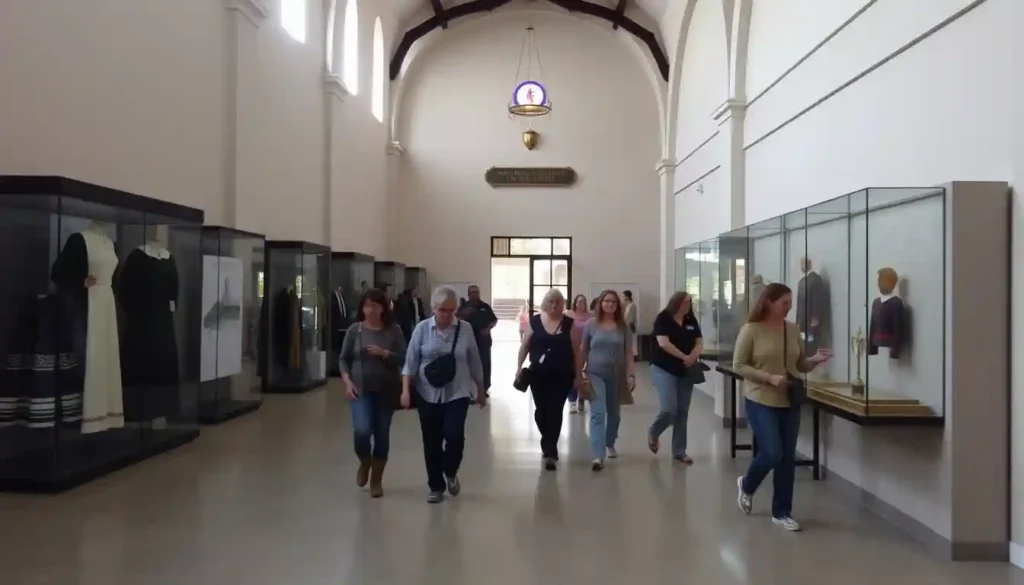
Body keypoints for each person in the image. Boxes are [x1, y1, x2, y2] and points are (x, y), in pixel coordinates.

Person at [733, 283, 833, 531]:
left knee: (787, 458)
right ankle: (747, 484)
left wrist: (815, 361)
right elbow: (739, 365)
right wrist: (769, 378)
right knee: (772, 452)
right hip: (760, 398)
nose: (789, 307)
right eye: (784, 303)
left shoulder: (792, 329)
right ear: (769, 302)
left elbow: (799, 364)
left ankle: (782, 512)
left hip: (788, 399)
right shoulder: (751, 330)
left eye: (790, 302)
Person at [402, 286, 487, 503]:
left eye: (451, 310)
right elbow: (410, 361)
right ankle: (435, 486)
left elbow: (474, 359)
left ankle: (450, 470)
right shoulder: (422, 329)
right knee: (431, 440)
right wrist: (405, 390)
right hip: (426, 392)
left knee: (455, 434)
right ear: (433, 309)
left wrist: (480, 389)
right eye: (442, 310)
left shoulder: (465, 329)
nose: (447, 315)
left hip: (457, 391)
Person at [338, 288, 407, 498]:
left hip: (386, 390)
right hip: (361, 389)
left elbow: (405, 359)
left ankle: (376, 479)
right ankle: (364, 461)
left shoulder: (393, 330)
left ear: (383, 308)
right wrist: (347, 382)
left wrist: (384, 353)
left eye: (375, 306)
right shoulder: (355, 330)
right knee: (362, 430)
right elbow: (343, 359)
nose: (370, 310)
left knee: (382, 435)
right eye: (367, 306)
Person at [517, 288, 581, 470]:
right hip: (538, 375)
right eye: (551, 302)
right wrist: (518, 368)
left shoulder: (570, 324)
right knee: (540, 412)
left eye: (558, 302)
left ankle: (551, 452)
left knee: (555, 410)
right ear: (546, 303)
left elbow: (577, 350)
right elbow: (525, 346)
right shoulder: (535, 321)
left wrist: (578, 375)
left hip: (562, 375)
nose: (554, 306)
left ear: (562, 304)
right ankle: (548, 440)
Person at [579, 289, 635, 470]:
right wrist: (579, 371)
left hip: (616, 374)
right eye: (606, 301)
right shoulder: (591, 324)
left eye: (613, 302)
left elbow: (628, 352)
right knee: (597, 412)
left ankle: (609, 441)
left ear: (617, 305)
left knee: (614, 413)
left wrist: (631, 374)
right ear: (600, 304)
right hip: (595, 373)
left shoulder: (623, 327)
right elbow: (583, 349)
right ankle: (597, 454)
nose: (609, 304)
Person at [647, 291, 702, 464]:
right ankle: (654, 431)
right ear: (675, 303)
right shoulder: (663, 318)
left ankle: (679, 451)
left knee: (682, 411)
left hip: (686, 370)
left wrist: (693, 355)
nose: (686, 305)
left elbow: (699, 341)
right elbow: (664, 343)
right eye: (684, 302)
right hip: (664, 368)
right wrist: (683, 356)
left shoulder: (690, 320)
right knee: (669, 409)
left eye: (689, 302)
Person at [457, 284, 498, 395]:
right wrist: (464, 314)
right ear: (468, 294)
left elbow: (494, 320)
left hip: (483, 341)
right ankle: (470, 390)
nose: (475, 294)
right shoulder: (464, 307)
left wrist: (488, 328)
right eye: (472, 292)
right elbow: (456, 320)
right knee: (469, 365)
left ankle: (483, 389)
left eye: (477, 292)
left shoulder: (485, 306)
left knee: (484, 364)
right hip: (468, 341)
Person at [567, 294, 591, 414]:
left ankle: (582, 399)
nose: (581, 304)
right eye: (579, 301)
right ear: (575, 302)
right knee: (573, 374)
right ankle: (572, 401)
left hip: (587, 348)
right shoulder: (569, 314)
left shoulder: (590, 316)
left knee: (585, 375)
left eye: (583, 302)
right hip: (573, 348)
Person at [622, 290, 638, 360]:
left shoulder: (632, 305)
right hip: (627, 326)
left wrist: (625, 325)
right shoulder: (627, 305)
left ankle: (633, 356)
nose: (622, 298)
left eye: (623, 296)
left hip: (630, 327)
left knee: (632, 342)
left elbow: (630, 318)